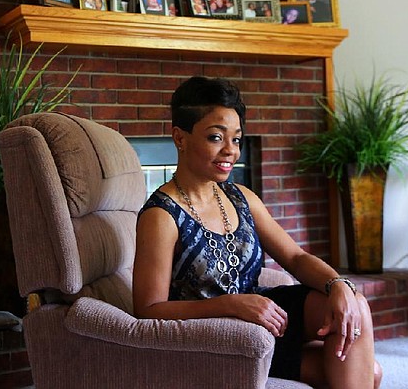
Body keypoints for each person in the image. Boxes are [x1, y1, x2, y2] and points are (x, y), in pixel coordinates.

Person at [133, 76, 382, 388]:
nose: (231, 151)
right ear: (180, 138)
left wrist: (338, 285)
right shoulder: (161, 215)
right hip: (216, 337)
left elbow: (295, 256)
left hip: (264, 323)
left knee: (353, 303)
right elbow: (147, 310)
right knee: (369, 374)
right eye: (215, 137)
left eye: (236, 140)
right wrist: (231, 304)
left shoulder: (241, 197)